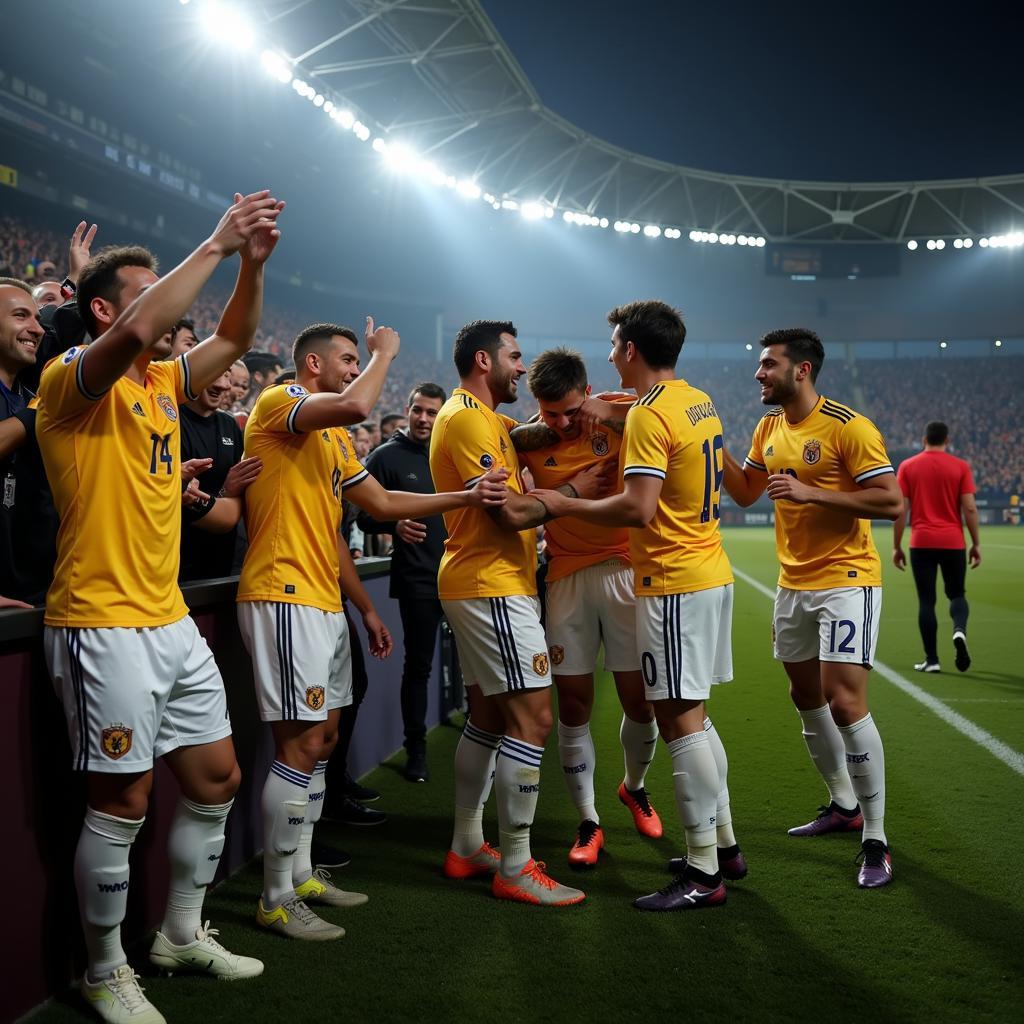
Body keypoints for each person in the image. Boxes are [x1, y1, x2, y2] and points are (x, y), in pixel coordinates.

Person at [36, 189, 284, 1021]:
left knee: (217, 779)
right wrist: (216, 241)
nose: (168, 315)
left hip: (168, 617)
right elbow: (140, 330)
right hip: (99, 622)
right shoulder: (70, 381)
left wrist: (249, 266)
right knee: (124, 801)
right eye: (147, 293)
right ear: (104, 309)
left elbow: (238, 337)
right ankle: (104, 968)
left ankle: (180, 932)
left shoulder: (163, 386)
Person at [237, 320, 509, 940]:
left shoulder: (331, 443)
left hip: (321, 600)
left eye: (361, 358)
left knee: (325, 737)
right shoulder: (281, 402)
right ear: (312, 365)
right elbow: (361, 401)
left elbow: (379, 507)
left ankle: (300, 872)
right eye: (347, 359)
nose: (356, 368)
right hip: (282, 595)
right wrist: (388, 352)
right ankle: (276, 897)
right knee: (300, 745)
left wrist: (464, 498)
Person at [532, 302, 743, 911]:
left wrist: (563, 505)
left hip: (672, 578)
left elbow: (639, 507)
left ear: (629, 350)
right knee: (693, 716)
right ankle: (723, 847)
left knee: (679, 721)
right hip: (706, 570)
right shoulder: (696, 399)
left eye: (614, 343)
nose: (608, 354)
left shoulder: (648, 414)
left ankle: (704, 871)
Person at [430, 319, 612, 907]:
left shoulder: (488, 420)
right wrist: (578, 489)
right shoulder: (464, 419)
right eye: (514, 356)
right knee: (533, 721)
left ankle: (466, 846)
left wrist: (591, 412)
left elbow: (530, 436)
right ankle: (515, 864)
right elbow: (509, 513)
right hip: (492, 584)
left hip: (482, 581)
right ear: (484, 361)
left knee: (486, 717)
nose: (521, 367)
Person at [721, 327, 903, 889]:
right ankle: (842, 804)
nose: (759, 373)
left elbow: (893, 500)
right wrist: (710, 445)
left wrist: (814, 493)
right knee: (805, 696)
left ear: (801, 370)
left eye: (769, 365)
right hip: (792, 582)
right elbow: (746, 491)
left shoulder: (849, 427)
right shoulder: (769, 425)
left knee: (845, 703)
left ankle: (876, 838)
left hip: (847, 580)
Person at [510, 348, 665, 867]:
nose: (561, 422)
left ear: (589, 391)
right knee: (572, 706)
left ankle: (635, 787)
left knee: (638, 702)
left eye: (571, 410)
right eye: (549, 412)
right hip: (566, 578)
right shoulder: (526, 441)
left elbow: (673, 412)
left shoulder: (624, 412)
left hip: (625, 568)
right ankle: (588, 821)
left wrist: (608, 411)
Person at [357, 383, 447, 782]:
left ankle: (488, 744)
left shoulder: (451, 453)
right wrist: (392, 523)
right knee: (419, 667)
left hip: (463, 576)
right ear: (407, 410)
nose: (424, 419)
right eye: (418, 410)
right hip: (417, 580)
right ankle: (417, 751)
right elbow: (360, 517)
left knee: (479, 667)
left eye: (432, 412)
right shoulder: (385, 457)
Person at [894, 420, 980, 672]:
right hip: (953, 541)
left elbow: (901, 510)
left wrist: (896, 545)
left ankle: (931, 660)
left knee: (926, 601)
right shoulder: (960, 466)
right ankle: (959, 631)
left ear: (924, 440)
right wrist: (976, 543)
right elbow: (970, 507)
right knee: (957, 594)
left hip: (921, 542)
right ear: (947, 440)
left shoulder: (908, 467)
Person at [179, 368, 262, 582]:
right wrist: (227, 491)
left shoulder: (229, 425)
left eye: (226, 376)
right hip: (181, 560)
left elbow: (241, 489)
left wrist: (228, 491)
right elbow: (183, 500)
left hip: (225, 559)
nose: (223, 385)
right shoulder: (172, 420)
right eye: (214, 373)